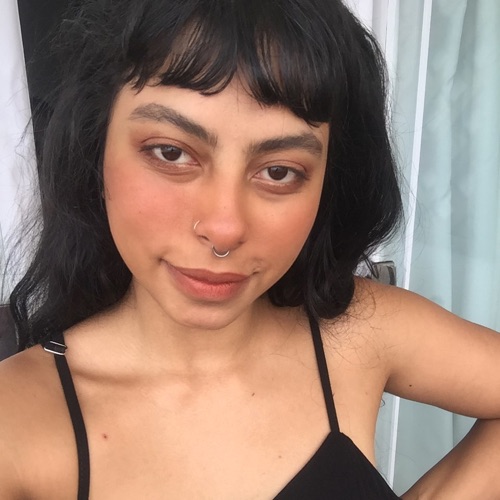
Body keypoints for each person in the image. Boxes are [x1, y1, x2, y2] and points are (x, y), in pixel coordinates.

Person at [1, 0, 499, 498]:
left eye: (279, 172)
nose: (224, 228)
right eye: (171, 153)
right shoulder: (17, 423)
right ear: (95, 147)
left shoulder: (361, 332)